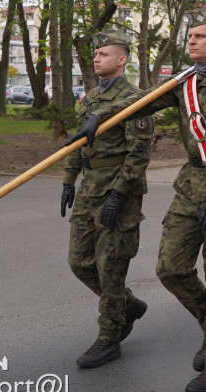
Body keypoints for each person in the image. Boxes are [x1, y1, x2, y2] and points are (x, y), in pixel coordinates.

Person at [69, 7, 206, 392]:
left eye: (200, 36)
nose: (191, 40)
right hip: (190, 187)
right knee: (170, 269)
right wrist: (100, 116)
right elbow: (141, 103)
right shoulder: (184, 83)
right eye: (189, 36)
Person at [61, 31, 153, 369]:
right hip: (89, 189)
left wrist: (118, 192)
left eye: (103, 53)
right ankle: (128, 304)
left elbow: (139, 153)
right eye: (95, 54)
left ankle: (109, 336)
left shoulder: (138, 99)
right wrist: (69, 181)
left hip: (119, 192)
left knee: (110, 269)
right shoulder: (88, 100)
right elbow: (77, 144)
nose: (96, 58)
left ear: (122, 59)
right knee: (79, 261)